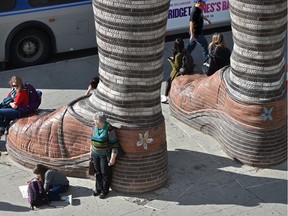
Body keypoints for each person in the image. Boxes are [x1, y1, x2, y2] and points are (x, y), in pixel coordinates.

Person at [90, 111, 119, 199]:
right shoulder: (94, 126)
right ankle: (98, 189)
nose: (94, 123)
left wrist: (113, 157)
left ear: (101, 122)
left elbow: (114, 144)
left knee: (104, 172)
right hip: (95, 153)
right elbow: (92, 139)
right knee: (97, 172)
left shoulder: (109, 129)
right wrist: (91, 148)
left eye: (96, 121)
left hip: (104, 155)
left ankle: (104, 191)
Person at [161, 38, 193, 103]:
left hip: (179, 71)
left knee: (168, 81)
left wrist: (171, 61)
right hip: (188, 68)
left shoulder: (178, 55)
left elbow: (176, 68)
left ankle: (166, 96)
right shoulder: (185, 50)